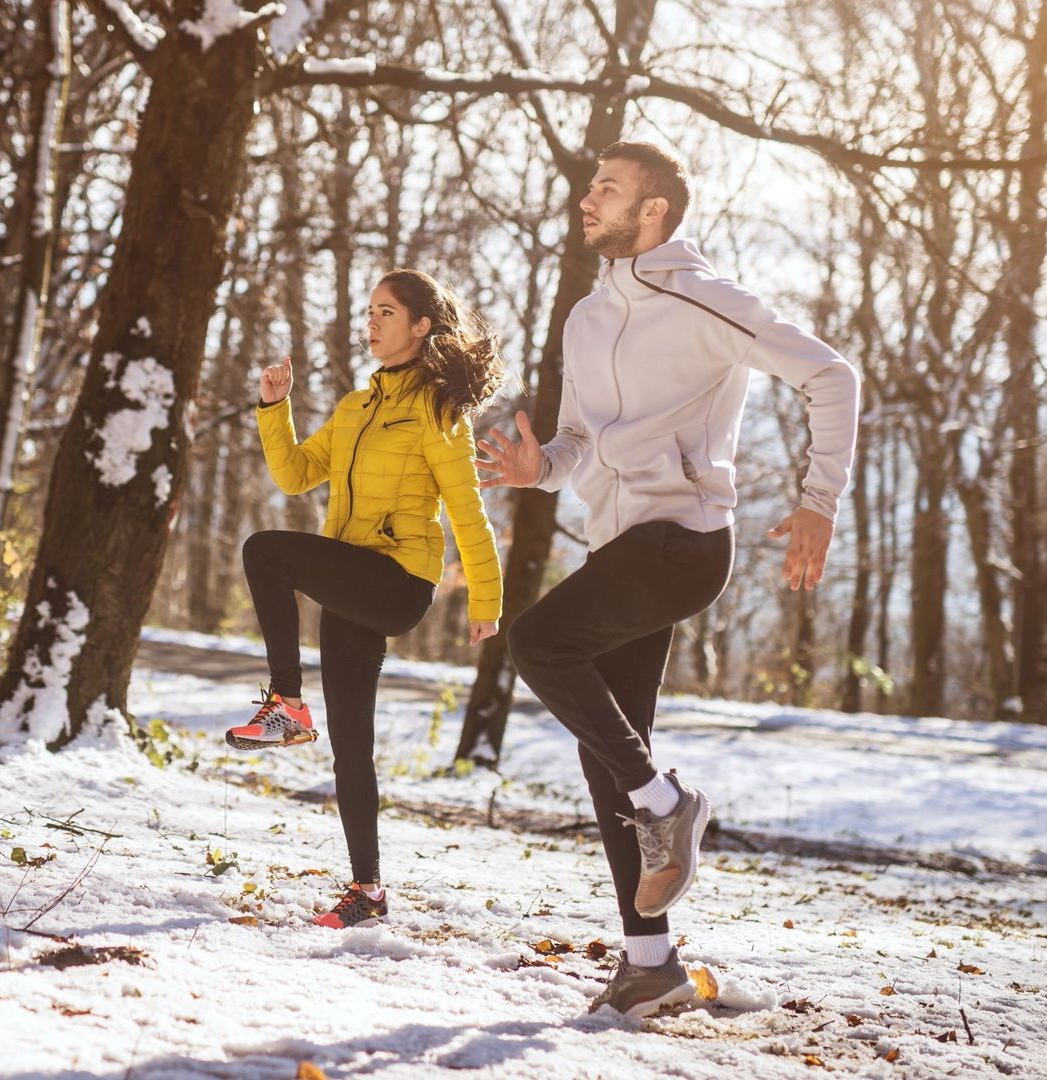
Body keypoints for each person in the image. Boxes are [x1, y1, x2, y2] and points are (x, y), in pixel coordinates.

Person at [477, 141, 861, 1016]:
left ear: (652, 211)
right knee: (603, 749)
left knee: (538, 643)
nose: (588, 198)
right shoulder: (585, 316)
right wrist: (538, 469)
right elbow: (577, 444)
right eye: (589, 184)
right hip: (617, 550)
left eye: (607, 188)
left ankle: (668, 802)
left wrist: (818, 500)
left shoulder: (706, 300)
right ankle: (651, 964)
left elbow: (832, 374)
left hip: (684, 543)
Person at [228, 268, 507, 930]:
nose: (372, 323)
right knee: (351, 743)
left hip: (397, 581)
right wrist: (276, 408)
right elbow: (296, 476)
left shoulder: (438, 413)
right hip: (351, 575)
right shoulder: (356, 407)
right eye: (370, 311)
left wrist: (486, 599)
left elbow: (468, 512)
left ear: (420, 327)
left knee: (264, 551)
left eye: (386, 312)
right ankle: (367, 891)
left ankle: (286, 704)